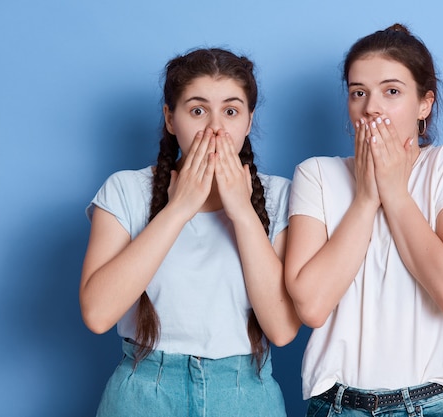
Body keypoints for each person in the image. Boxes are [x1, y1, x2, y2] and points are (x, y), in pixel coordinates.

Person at [285, 23, 443, 417]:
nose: (371, 107)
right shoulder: (317, 175)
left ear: (424, 105)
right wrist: (365, 198)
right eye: (358, 92)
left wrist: (395, 192)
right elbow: (311, 306)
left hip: (434, 403)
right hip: (338, 405)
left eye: (392, 91)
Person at [80, 47, 300, 417]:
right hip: (143, 394)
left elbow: (281, 330)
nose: (215, 128)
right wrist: (179, 208)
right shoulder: (126, 190)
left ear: (248, 122)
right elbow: (98, 314)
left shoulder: (281, 195)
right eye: (197, 111)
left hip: (244, 394)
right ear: (170, 119)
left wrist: (243, 213)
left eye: (231, 112)